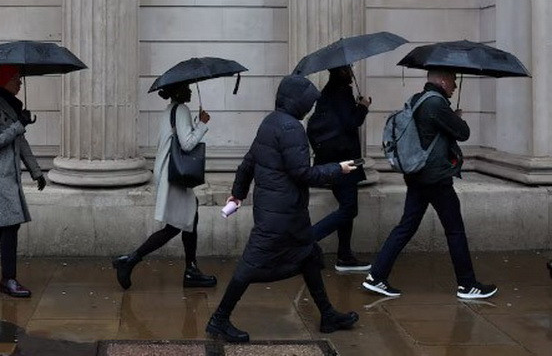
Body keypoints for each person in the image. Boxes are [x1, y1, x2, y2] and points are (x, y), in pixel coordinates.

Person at [205, 75, 359, 342]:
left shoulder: (270, 122)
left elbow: (248, 163)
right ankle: (218, 319)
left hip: (283, 213)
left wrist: (238, 194)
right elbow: (302, 173)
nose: (310, 108)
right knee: (249, 267)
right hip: (280, 216)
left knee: (309, 255)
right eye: (308, 103)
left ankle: (328, 314)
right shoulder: (291, 128)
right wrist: (339, 169)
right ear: (296, 102)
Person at [362, 69, 497, 300]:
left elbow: (431, 131)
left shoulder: (418, 99)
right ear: (443, 80)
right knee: (455, 230)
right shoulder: (436, 103)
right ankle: (467, 284)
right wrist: (457, 119)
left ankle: (376, 276)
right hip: (435, 179)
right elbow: (463, 133)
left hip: (418, 175)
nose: (455, 85)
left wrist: (450, 117)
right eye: (453, 80)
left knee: (406, 226)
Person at [112, 82, 216, 290]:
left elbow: (175, 140)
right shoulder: (181, 109)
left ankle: (191, 269)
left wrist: (196, 124)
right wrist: (203, 124)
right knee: (175, 226)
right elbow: (186, 144)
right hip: (175, 176)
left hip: (169, 173)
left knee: (190, 217)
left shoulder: (170, 110)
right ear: (178, 91)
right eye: (185, 88)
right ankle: (131, 259)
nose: (188, 91)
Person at [0, 65, 46, 298]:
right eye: (16, 79)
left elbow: (21, 143)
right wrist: (18, 126)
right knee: (9, 226)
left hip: (9, 174)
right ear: (4, 81)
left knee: (8, 224)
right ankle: (8, 279)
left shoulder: (11, 106)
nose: (20, 83)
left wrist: (36, 171)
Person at [307, 65, 371, 271]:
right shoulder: (343, 92)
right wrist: (363, 106)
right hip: (344, 160)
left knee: (347, 206)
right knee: (349, 208)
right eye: (349, 68)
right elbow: (351, 122)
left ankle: (345, 255)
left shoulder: (326, 93)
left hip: (330, 158)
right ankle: (309, 238)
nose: (352, 71)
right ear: (342, 72)